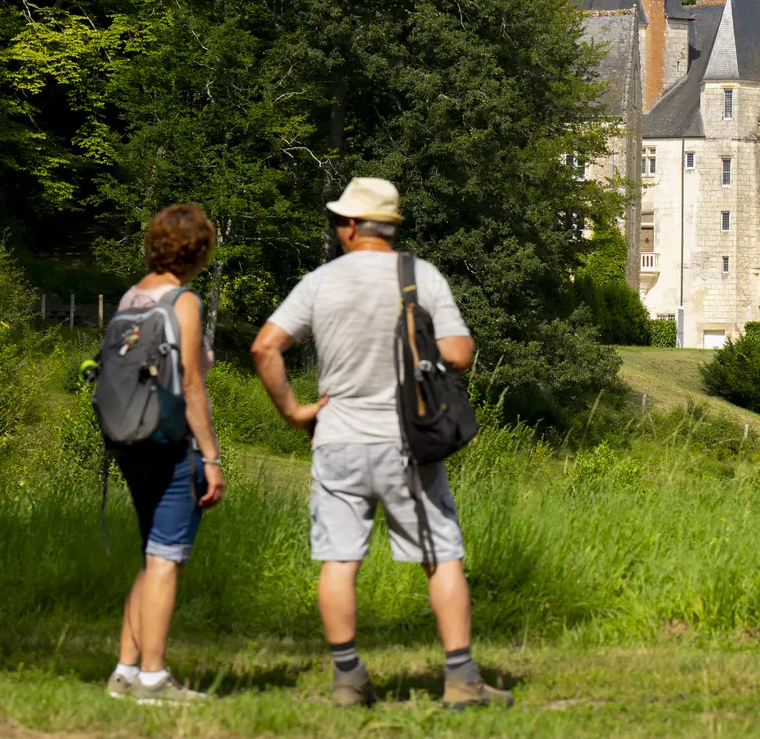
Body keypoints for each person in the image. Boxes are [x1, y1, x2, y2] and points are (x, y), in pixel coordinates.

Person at [251, 177, 511, 711]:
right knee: (441, 556)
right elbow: (460, 353)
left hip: (338, 440)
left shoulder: (320, 282)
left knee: (339, 560)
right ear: (388, 226)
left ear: (350, 226)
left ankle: (348, 679)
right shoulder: (419, 276)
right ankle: (462, 680)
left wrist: (295, 411)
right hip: (407, 443)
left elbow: (265, 347)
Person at [107, 203, 225, 705]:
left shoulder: (132, 296)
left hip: (129, 437)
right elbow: (192, 384)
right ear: (198, 250)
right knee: (166, 558)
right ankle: (154, 680)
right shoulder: (183, 299)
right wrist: (211, 456)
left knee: (151, 554)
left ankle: (125, 671)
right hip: (171, 441)